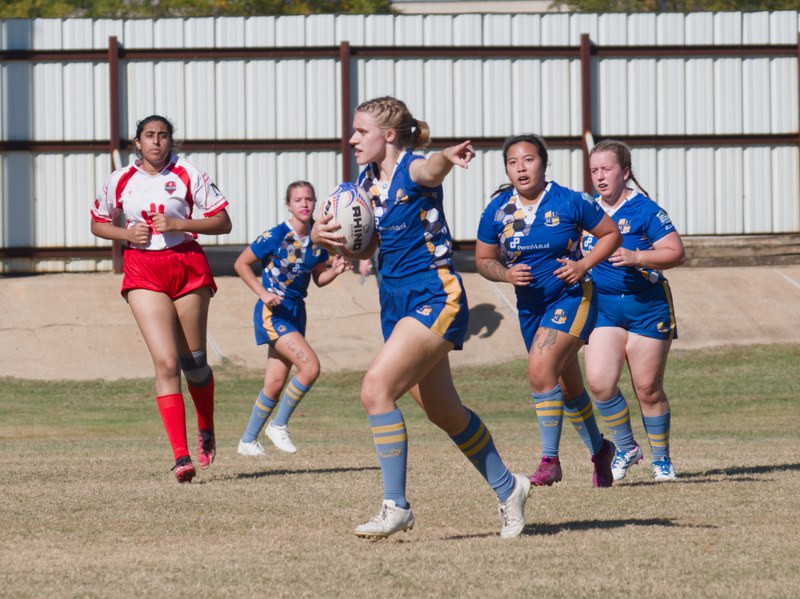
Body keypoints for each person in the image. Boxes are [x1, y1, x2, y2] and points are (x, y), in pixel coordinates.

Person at [312, 96, 531, 539]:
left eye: (361, 131)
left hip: (435, 294)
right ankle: (511, 489)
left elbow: (430, 169)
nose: (352, 138)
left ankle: (396, 506)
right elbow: (367, 248)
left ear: (388, 136)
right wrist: (328, 237)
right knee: (445, 412)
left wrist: (447, 159)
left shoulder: (414, 169)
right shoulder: (365, 183)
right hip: (394, 300)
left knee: (376, 390)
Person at [90, 115, 232, 483]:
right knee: (166, 363)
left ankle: (206, 427)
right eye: (149, 136)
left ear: (171, 141)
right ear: (137, 142)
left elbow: (223, 222)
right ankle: (181, 456)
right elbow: (97, 222)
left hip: (186, 266)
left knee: (195, 365)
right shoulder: (119, 179)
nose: (156, 142)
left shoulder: (187, 172)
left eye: (163, 136)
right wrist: (125, 233)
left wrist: (179, 224)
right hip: (142, 271)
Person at [474, 134, 622, 488]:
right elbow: (483, 260)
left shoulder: (571, 201)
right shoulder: (497, 210)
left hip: (572, 298)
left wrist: (583, 265)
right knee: (568, 387)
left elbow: (610, 234)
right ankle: (601, 451)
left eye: (528, 159)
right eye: (512, 162)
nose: (521, 168)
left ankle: (550, 461)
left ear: (543, 162)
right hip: (531, 308)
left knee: (540, 370)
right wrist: (506, 273)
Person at [582, 139, 685, 482]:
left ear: (624, 172)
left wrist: (637, 256)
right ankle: (626, 448)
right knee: (600, 383)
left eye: (607, 169)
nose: (600, 176)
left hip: (646, 307)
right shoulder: (587, 210)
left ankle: (662, 460)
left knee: (647, 389)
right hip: (604, 309)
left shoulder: (645, 210)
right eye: (594, 170)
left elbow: (675, 252)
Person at [234, 181, 351, 457]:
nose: (304, 204)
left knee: (274, 384)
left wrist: (335, 271)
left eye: (309, 199)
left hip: (297, 311)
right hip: (274, 312)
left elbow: (319, 279)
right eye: (298, 200)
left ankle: (248, 441)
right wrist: (262, 293)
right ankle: (278, 424)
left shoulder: (319, 240)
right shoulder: (275, 236)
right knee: (310, 367)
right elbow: (241, 263)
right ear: (288, 205)